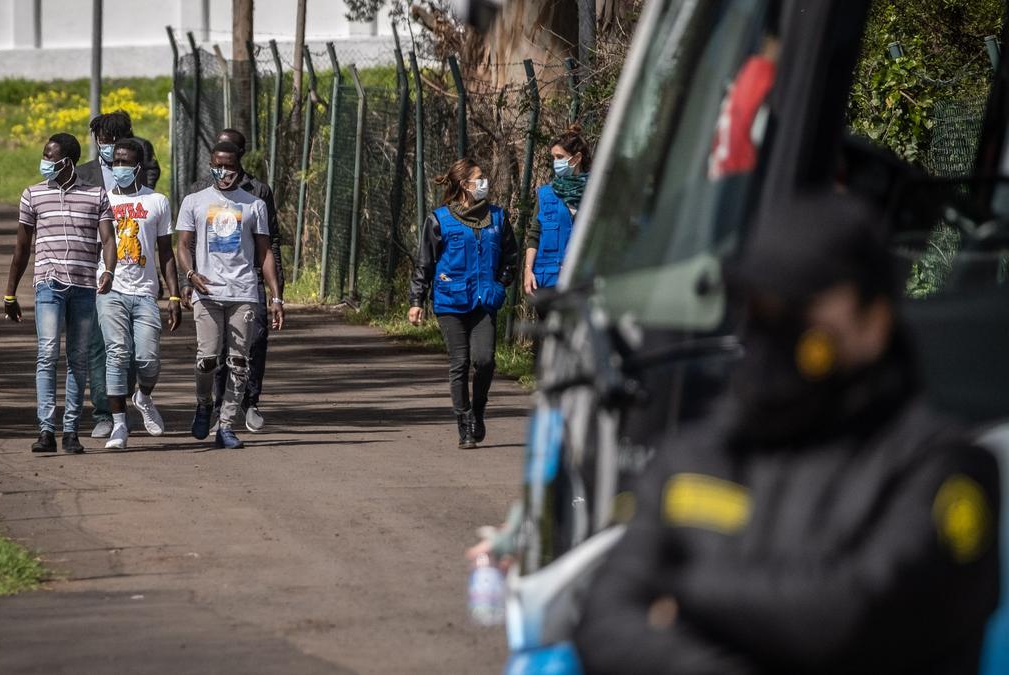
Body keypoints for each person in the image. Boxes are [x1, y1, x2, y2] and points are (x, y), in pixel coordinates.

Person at [572, 192, 1000, 673]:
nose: (773, 325)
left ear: (874, 322)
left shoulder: (943, 471)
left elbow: (849, 616)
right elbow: (605, 622)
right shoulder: (697, 452)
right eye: (758, 303)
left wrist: (679, 594)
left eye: (800, 306)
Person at [4, 132, 116, 454]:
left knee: (78, 359)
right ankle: (45, 430)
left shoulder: (96, 195)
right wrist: (9, 294)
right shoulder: (33, 195)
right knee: (47, 353)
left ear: (66, 162)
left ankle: (71, 431)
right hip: (48, 285)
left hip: (83, 287)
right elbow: (22, 248)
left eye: (49, 156)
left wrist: (107, 270)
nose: (45, 162)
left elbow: (108, 240)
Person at [176, 141, 284, 450]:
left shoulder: (254, 205)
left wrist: (275, 297)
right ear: (210, 165)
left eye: (230, 167)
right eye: (217, 166)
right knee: (207, 359)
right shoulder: (194, 201)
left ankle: (226, 424)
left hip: (244, 291)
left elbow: (265, 253)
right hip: (207, 292)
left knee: (239, 361)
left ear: (240, 170)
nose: (223, 172)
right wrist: (190, 275)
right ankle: (202, 404)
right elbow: (183, 244)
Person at [408, 158, 518, 449]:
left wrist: (501, 282)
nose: (484, 183)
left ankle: (478, 410)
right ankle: (464, 423)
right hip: (450, 301)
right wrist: (416, 300)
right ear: (464, 184)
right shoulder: (439, 219)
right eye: (478, 178)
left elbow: (511, 258)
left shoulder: (498, 218)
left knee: (484, 360)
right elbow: (425, 264)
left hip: (484, 300)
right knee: (460, 363)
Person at [76, 110, 162, 439]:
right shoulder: (85, 177)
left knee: (134, 352)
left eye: (114, 141)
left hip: (137, 276)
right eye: (102, 142)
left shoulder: (143, 180)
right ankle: (105, 413)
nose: (108, 148)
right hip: (98, 277)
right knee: (103, 346)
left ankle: (126, 400)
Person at [96, 138, 183, 449]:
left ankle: (143, 396)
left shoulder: (156, 202)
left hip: (146, 291)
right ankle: (119, 426)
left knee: (148, 359)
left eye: (125, 162)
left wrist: (174, 295)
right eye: (115, 161)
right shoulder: (101, 200)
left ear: (139, 167)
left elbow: (166, 253)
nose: (119, 167)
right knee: (117, 355)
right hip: (111, 289)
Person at [523, 125, 591, 296]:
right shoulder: (545, 194)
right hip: (547, 281)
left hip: (582, 282)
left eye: (560, 157)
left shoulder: (595, 193)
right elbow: (534, 235)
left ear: (576, 159)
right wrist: (528, 270)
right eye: (553, 157)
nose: (555, 162)